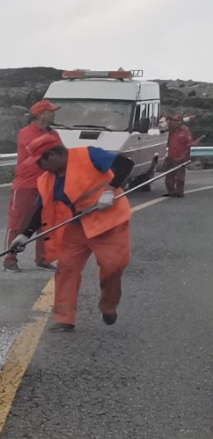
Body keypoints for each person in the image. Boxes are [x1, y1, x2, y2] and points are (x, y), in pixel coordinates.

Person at [32, 140, 133, 330]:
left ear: (52, 155)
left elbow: (125, 164)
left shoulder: (88, 154)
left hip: (110, 223)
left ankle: (108, 306)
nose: (39, 167)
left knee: (113, 268)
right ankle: (64, 318)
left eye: (40, 162)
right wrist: (24, 235)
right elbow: (41, 209)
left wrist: (110, 191)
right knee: (66, 268)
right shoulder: (47, 179)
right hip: (77, 227)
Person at [8, 101, 60, 270]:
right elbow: (37, 149)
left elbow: (60, 154)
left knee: (45, 222)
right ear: (40, 114)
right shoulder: (26, 132)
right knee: (18, 223)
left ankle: (43, 258)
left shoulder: (53, 134)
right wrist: (52, 139)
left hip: (47, 184)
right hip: (26, 185)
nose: (53, 114)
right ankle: (9, 260)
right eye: (50, 112)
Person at [163, 113, 194, 196]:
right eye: (174, 120)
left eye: (176, 121)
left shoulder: (185, 130)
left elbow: (189, 143)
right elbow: (162, 124)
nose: (174, 122)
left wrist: (185, 156)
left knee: (180, 176)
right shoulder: (171, 129)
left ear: (180, 121)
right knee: (169, 175)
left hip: (180, 157)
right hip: (170, 156)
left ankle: (179, 191)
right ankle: (171, 191)